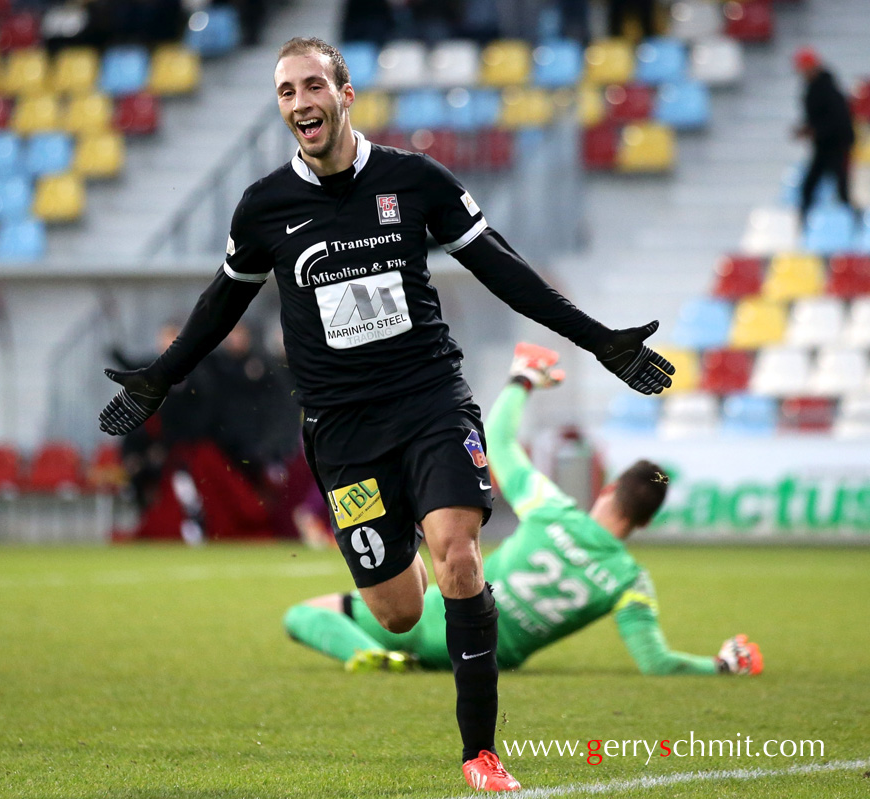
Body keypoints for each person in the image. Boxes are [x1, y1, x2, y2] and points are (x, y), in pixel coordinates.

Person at [97, 37, 675, 792]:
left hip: (429, 399)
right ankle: (424, 590)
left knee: (459, 557)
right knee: (401, 611)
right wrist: (159, 380)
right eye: (285, 91)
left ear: (345, 93)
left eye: (312, 85)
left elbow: (501, 265)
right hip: (341, 430)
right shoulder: (265, 206)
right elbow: (220, 303)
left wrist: (597, 338)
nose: (300, 101)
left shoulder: (415, 181)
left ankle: (480, 751)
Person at [284, 343, 764, 681]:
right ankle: (385, 655)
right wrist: (721, 664)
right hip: (483, 653)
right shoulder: (629, 581)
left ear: (611, 487)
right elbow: (656, 662)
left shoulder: (552, 511)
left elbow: (501, 443)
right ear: (646, 521)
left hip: (436, 621)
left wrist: (522, 380)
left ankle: (369, 652)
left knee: (303, 614)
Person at [793, 47, 857, 225]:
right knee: (810, 187)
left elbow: (838, 120)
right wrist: (808, 129)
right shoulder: (815, 88)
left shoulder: (827, 89)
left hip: (837, 146)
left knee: (842, 189)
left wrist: (815, 130)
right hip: (823, 147)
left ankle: (853, 227)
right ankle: (804, 225)